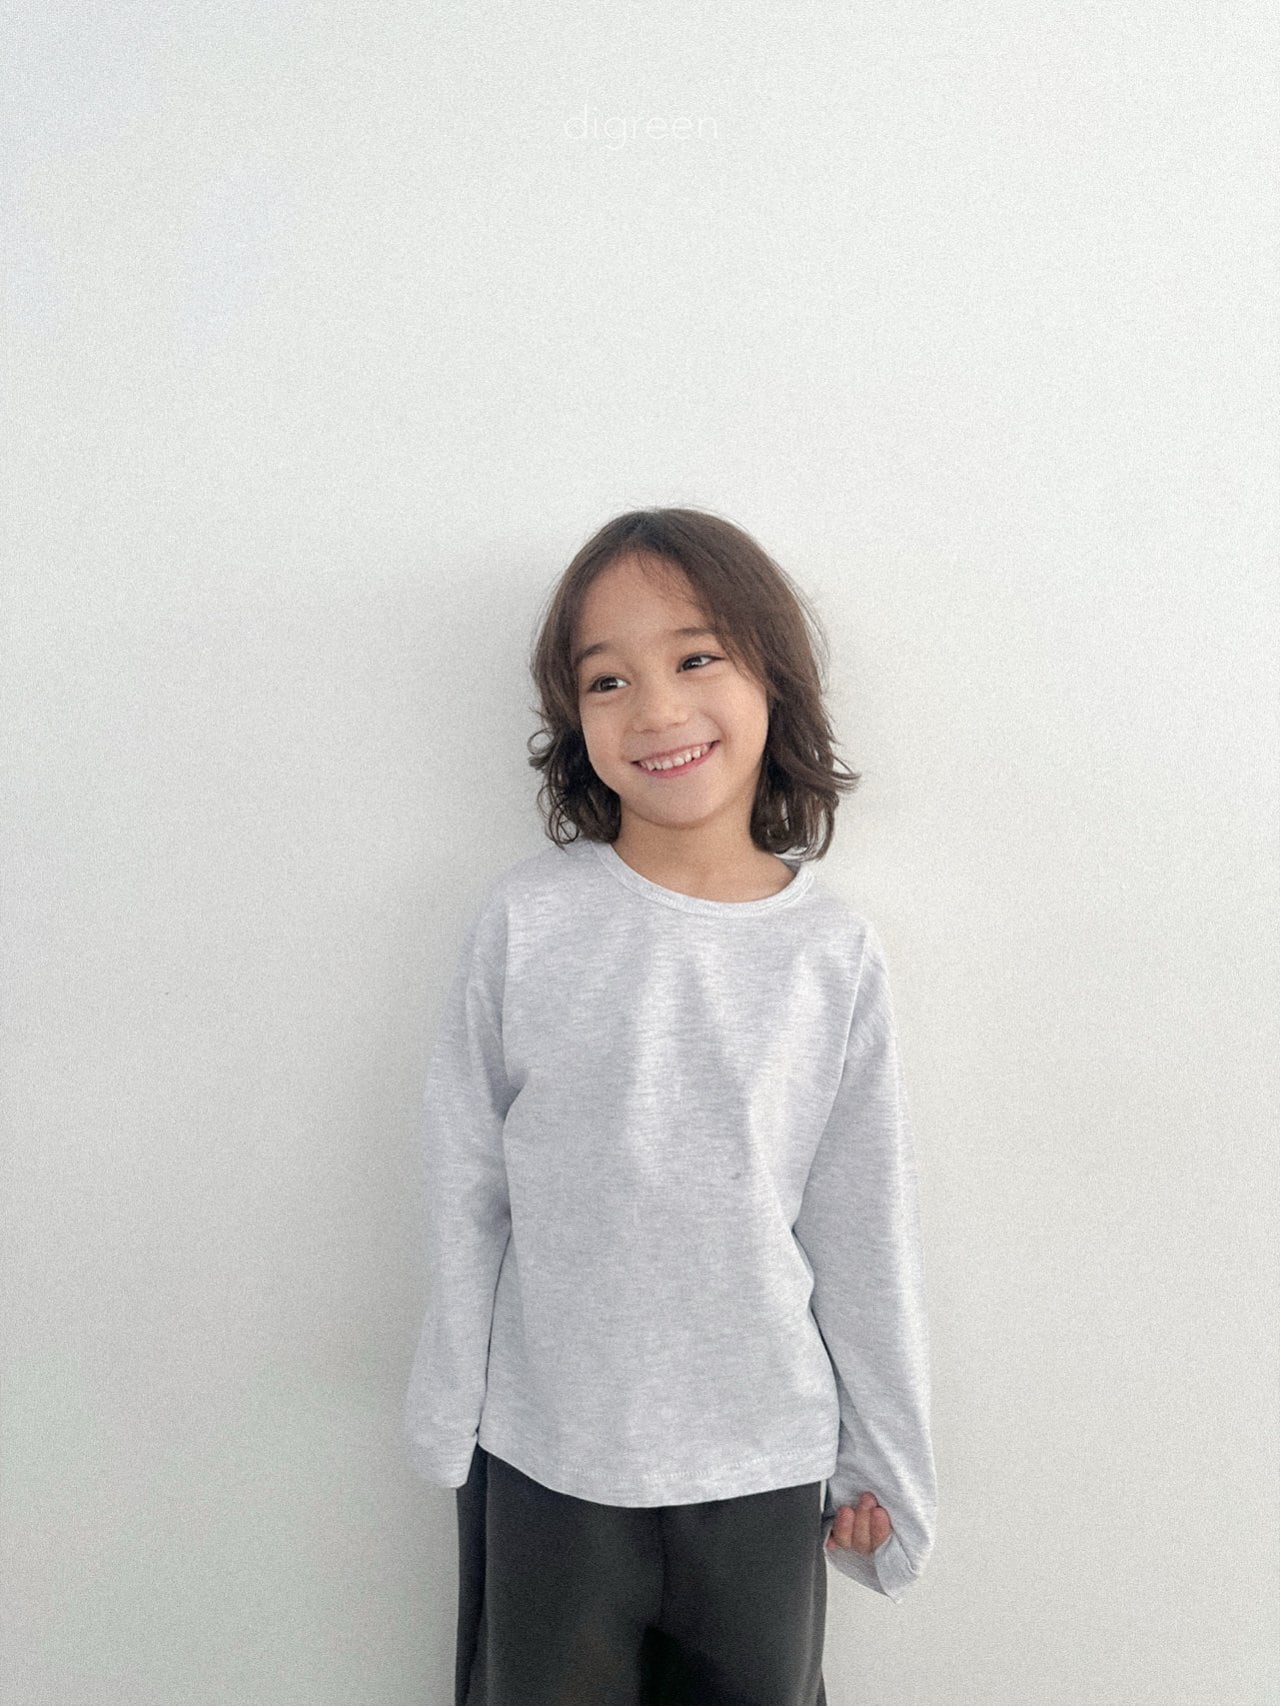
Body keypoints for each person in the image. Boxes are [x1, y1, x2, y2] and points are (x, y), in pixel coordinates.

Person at [404, 508, 938, 1705]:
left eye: (695, 657)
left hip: (759, 1460)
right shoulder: (528, 919)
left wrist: (883, 1460)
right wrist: (448, 1407)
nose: (654, 707)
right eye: (607, 678)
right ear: (573, 716)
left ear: (771, 679)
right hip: (547, 1450)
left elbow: (861, 1227)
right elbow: (464, 1177)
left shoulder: (829, 955)